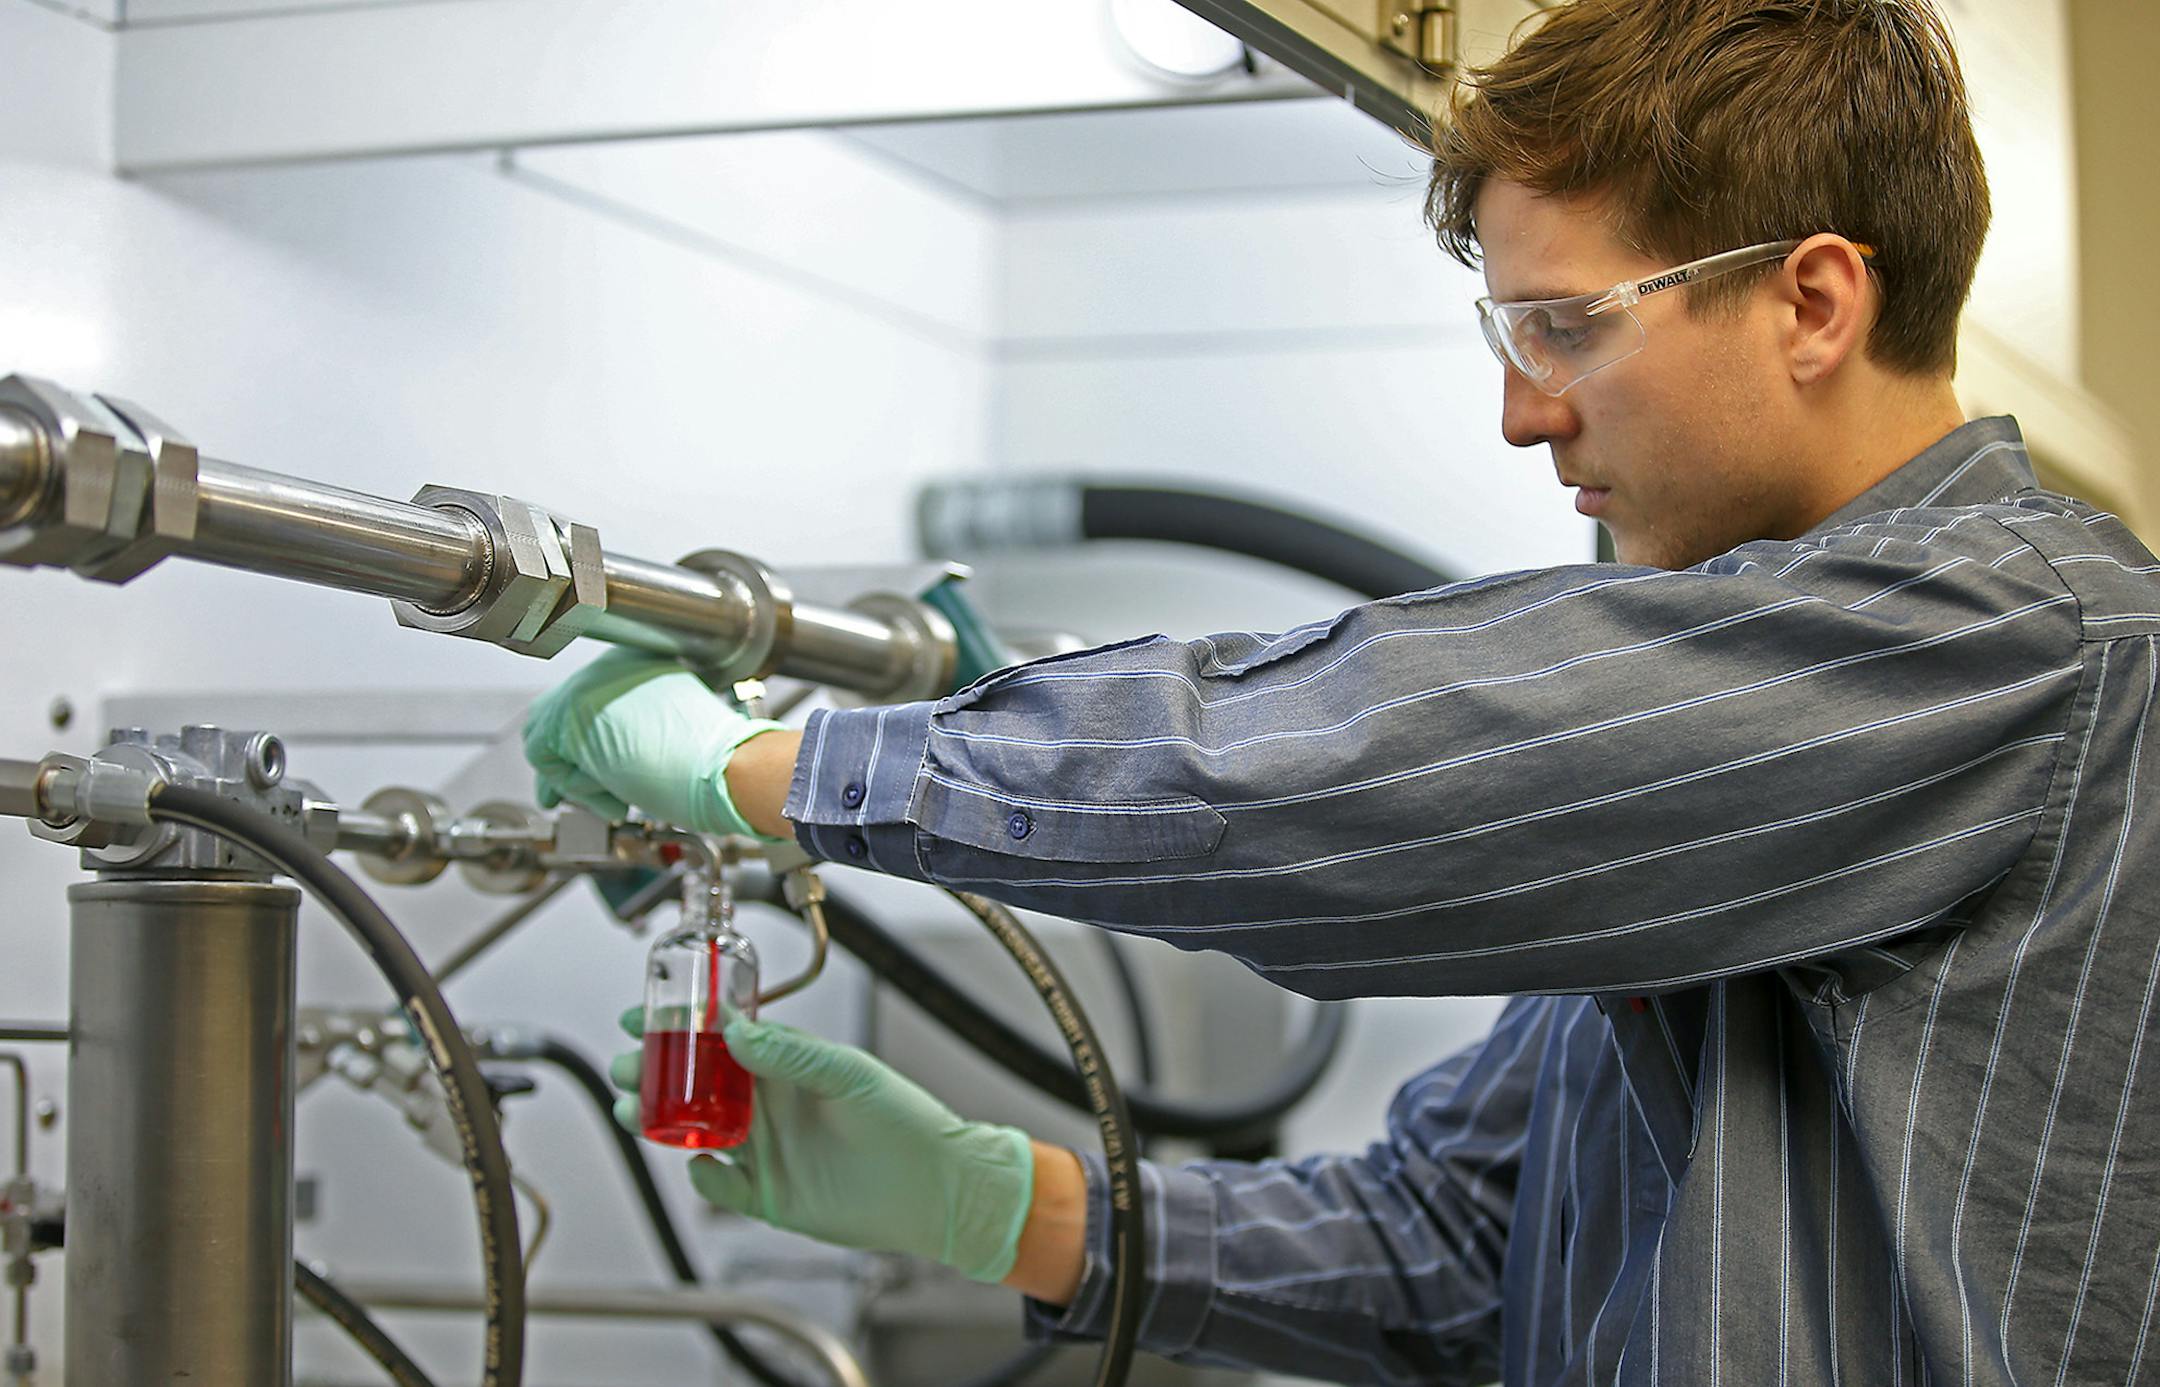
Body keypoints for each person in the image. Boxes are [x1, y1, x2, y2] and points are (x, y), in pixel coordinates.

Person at [524, 1, 2160, 1380]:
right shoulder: (1745, 765)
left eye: (1565, 329)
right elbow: (1458, 1245)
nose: (1526, 418)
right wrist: (982, 1203)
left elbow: (1342, 778)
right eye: (1504, 338)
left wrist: (781, 770)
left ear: (1811, 301)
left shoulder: (2022, 635)